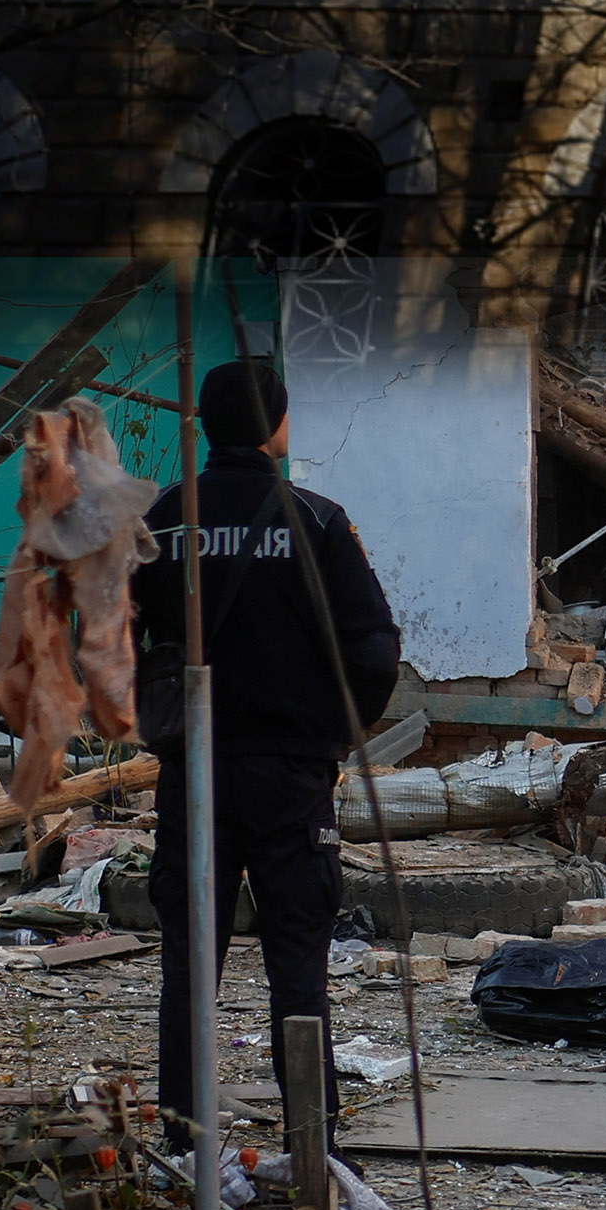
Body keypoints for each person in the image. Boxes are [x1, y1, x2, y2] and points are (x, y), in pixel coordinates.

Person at [133, 356, 402, 1145]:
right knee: (298, 969)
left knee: (189, 970)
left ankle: (184, 1146)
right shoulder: (316, 521)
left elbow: (114, 636)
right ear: (276, 425)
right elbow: (375, 651)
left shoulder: (164, 519)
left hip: (193, 773)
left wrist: (155, 717)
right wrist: (334, 731)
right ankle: (311, 1146)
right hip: (292, 778)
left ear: (206, 427)